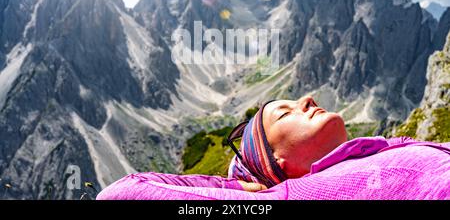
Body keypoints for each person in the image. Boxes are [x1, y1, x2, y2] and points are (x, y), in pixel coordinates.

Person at [97, 96, 450, 200]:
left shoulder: (380, 150)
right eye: (285, 113)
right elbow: (122, 194)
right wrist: (238, 189)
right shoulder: (287, 196)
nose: (308, 99)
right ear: (277, 163)